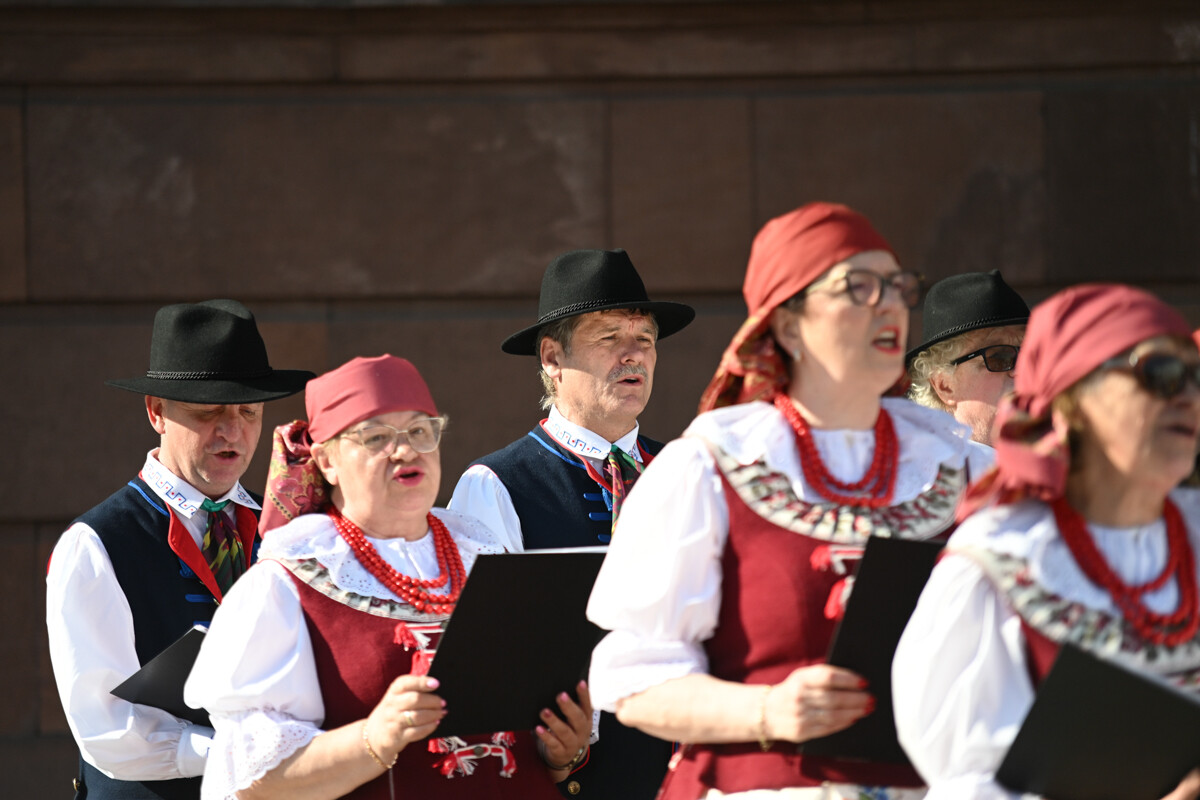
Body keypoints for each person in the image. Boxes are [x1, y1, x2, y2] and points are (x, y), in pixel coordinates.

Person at [585, 202, 992, 800]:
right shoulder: (712, 466)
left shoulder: (961, 466)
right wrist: (769, 710)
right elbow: (631, 677)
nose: (889, 304)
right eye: (859, 287)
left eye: (897, 286)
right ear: (789, 323)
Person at [184, 354, 593, 800]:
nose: (405, 449)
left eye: (420, 431)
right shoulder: (287, 584)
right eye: (377, 437)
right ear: (327, 461)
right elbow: (253, 782)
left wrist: (557, 752)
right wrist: (372, 740)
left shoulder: (484, 554)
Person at [892, 284, 1200, 800]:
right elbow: (967, 786)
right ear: (1075, 401)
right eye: (1160, 375)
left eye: (1193, 376)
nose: (1186, 397)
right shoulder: (1003, 561)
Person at [46, 299, 314, 799]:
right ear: (157, 413)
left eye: (249, 411)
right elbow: (106, 729)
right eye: (207, 411)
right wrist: (236, 753)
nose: (232, 430)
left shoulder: (284, 526)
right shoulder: (96, 544)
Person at [450, 248, 694, 798]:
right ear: (552, 359)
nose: (633, 355)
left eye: (645, 340)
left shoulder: (688, 470)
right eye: (609, 338)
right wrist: (560, 753)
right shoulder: (496, 484)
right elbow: (485, 663)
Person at [906, 270, 1029, 446]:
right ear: (944, 385)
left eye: (1030, 354)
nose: (1021, 370)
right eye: (999, 357)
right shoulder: (920, 469)